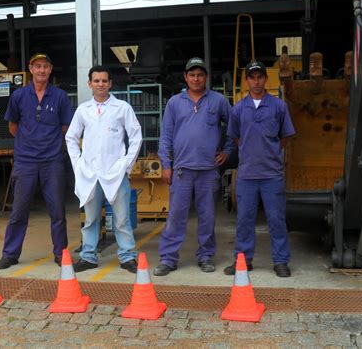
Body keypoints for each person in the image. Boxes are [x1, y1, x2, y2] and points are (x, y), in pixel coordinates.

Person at [154, 57, 235, 276]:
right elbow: (166, 136)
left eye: (200, 75)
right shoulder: (174, 103)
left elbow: (233, 127)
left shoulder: (218, 101)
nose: (196, 78)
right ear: (186, 77)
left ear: (206, 77)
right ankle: (168, 258)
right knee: (176, 216)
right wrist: (166, 164)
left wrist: (227, 151)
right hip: (181, 169)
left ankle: (206, 256)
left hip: (208, 170)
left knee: (207, 216)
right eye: (192, 75)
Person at [0, 53, 74, 269]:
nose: (41, 70)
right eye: (37, 66)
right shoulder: (19, 96)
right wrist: (29, 141)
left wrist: (47, 142)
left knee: (57, 210)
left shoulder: (59, 96)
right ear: (31, 69)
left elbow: (65, 126)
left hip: (52, 161)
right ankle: (10, 254)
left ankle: (61, 253)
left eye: (45, 66)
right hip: (26, 161)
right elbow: (13, 126)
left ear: (50, 70)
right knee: (19, 210)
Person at [65, 66, 142, 274]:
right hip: (90, 174)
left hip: (116, 173)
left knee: (122, 218)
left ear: (110, 83)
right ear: (89, 84)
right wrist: (78, 164)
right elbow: (71, 137)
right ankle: (88, 256)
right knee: (90, 219)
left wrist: (126, 165)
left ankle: (127, 256)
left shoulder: (122, 108)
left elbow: (136, 136)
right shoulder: (83, 110)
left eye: (104, 81)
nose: (100, 84)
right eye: (96, 81)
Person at [224, 61, 296, 277]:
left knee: (276, 219)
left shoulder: (278, 106)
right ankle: (244, 260)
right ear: (246, 81)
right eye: (252, 77)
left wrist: (270, 151)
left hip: (271, 174)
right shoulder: (238, 109)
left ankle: (281, 261)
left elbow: (286, 136)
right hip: (246, 174)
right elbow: (236, 138)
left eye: (260, 77)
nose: (256, 81)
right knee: (245, 219)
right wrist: (251, 150)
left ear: (266, 79)